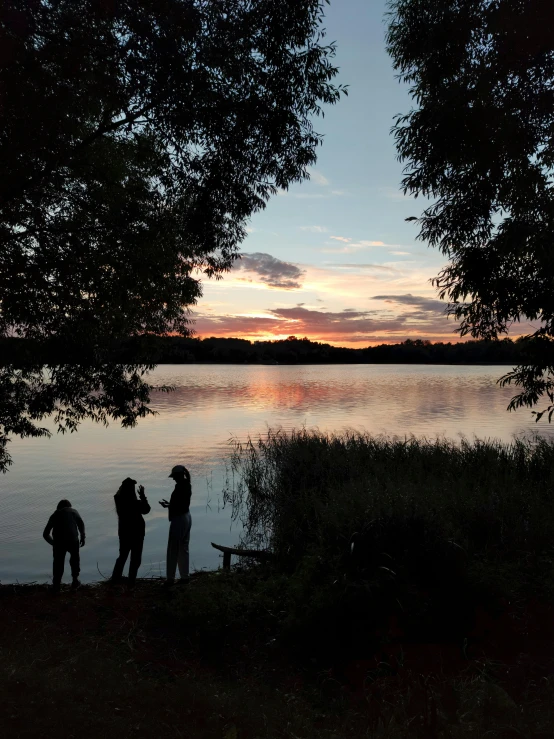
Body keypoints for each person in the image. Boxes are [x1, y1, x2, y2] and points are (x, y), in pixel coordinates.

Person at [111, 477, 151, 587]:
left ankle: (115, 579)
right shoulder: (134, 503)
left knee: (123, 556)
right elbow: (146, 509)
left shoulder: (119, 500)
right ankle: (131, 581)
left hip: (124, 533)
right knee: (136, 558)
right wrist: (142, 495)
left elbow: (117, 493)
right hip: (137, 533)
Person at [43, 499, 85, 593]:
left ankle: (56, 585)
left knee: (58, 563)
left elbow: (45, 534)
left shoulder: (55, 515)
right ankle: (75, 580)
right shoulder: (74, 511)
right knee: (75, 559)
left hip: (59, 541)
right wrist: (83, 536)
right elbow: (81, 523)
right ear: (70, 506)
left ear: (58, 507)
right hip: (73, 540)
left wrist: (53, 543)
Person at [160, 464, 192, 585]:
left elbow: (179, 506)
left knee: (173, 549)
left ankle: (170, 579)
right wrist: (169, 504)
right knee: (183, 548)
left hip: (179, 519)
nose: (173, 478)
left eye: (174, 476)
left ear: (179, 475)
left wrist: (169, 505)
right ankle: (185, 577)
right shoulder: (187, 485)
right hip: (187, 517)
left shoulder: (180, 487)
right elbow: (182, 504)